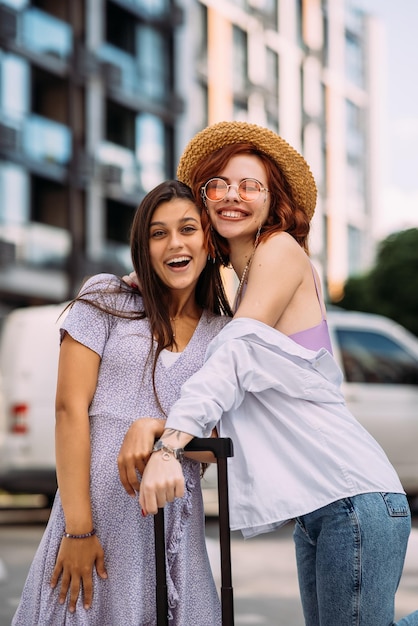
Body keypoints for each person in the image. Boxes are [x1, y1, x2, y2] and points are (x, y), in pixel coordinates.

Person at [123, 122, 418, 626]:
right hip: (319, 510)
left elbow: (231, 361)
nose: (231, 196)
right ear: (204, 200)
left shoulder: (280, 252)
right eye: (218, 185)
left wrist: (168, 446)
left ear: (273, 199)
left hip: (354, 500)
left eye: (249, 185)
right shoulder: (245, 284)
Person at [12, 180, 233, 626]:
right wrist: (79, 530)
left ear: (208, 240)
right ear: (143, 247)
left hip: (173, 534)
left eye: (188, 228)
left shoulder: (222, 333)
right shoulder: (107, 298)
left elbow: (220, 443)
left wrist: (156, 427)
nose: (175, 243)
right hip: (92, 528)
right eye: (158, 233)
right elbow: (69, 410)